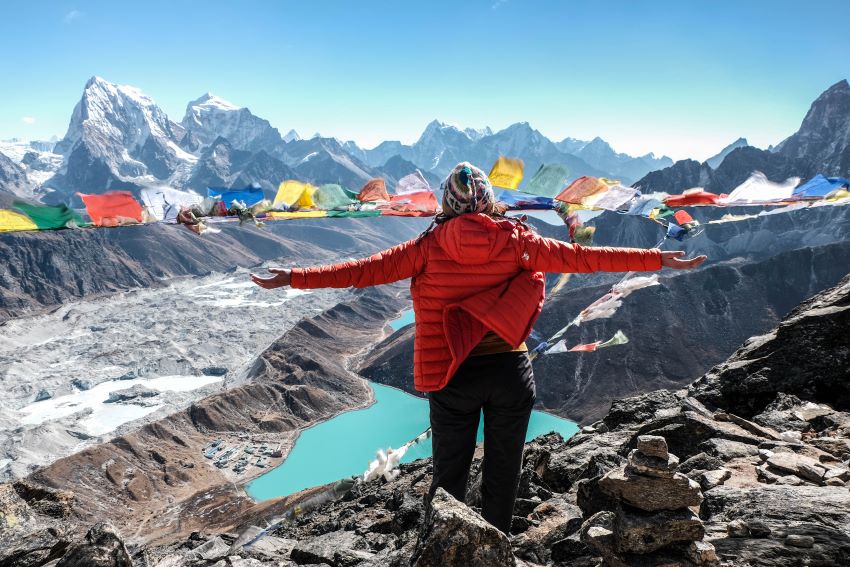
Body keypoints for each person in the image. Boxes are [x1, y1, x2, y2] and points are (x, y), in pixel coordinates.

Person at [251, 162, 706, 534]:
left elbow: (360, 270)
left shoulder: (426, 246)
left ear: (446, 201)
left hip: (452, 375)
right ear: (490, 199)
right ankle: (495, 547)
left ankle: (446, 546)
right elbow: (584, 258)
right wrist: (655, 258)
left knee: (449, 474)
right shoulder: (518, 240)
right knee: (503, 473)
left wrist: (292, 276)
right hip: (510, 373)